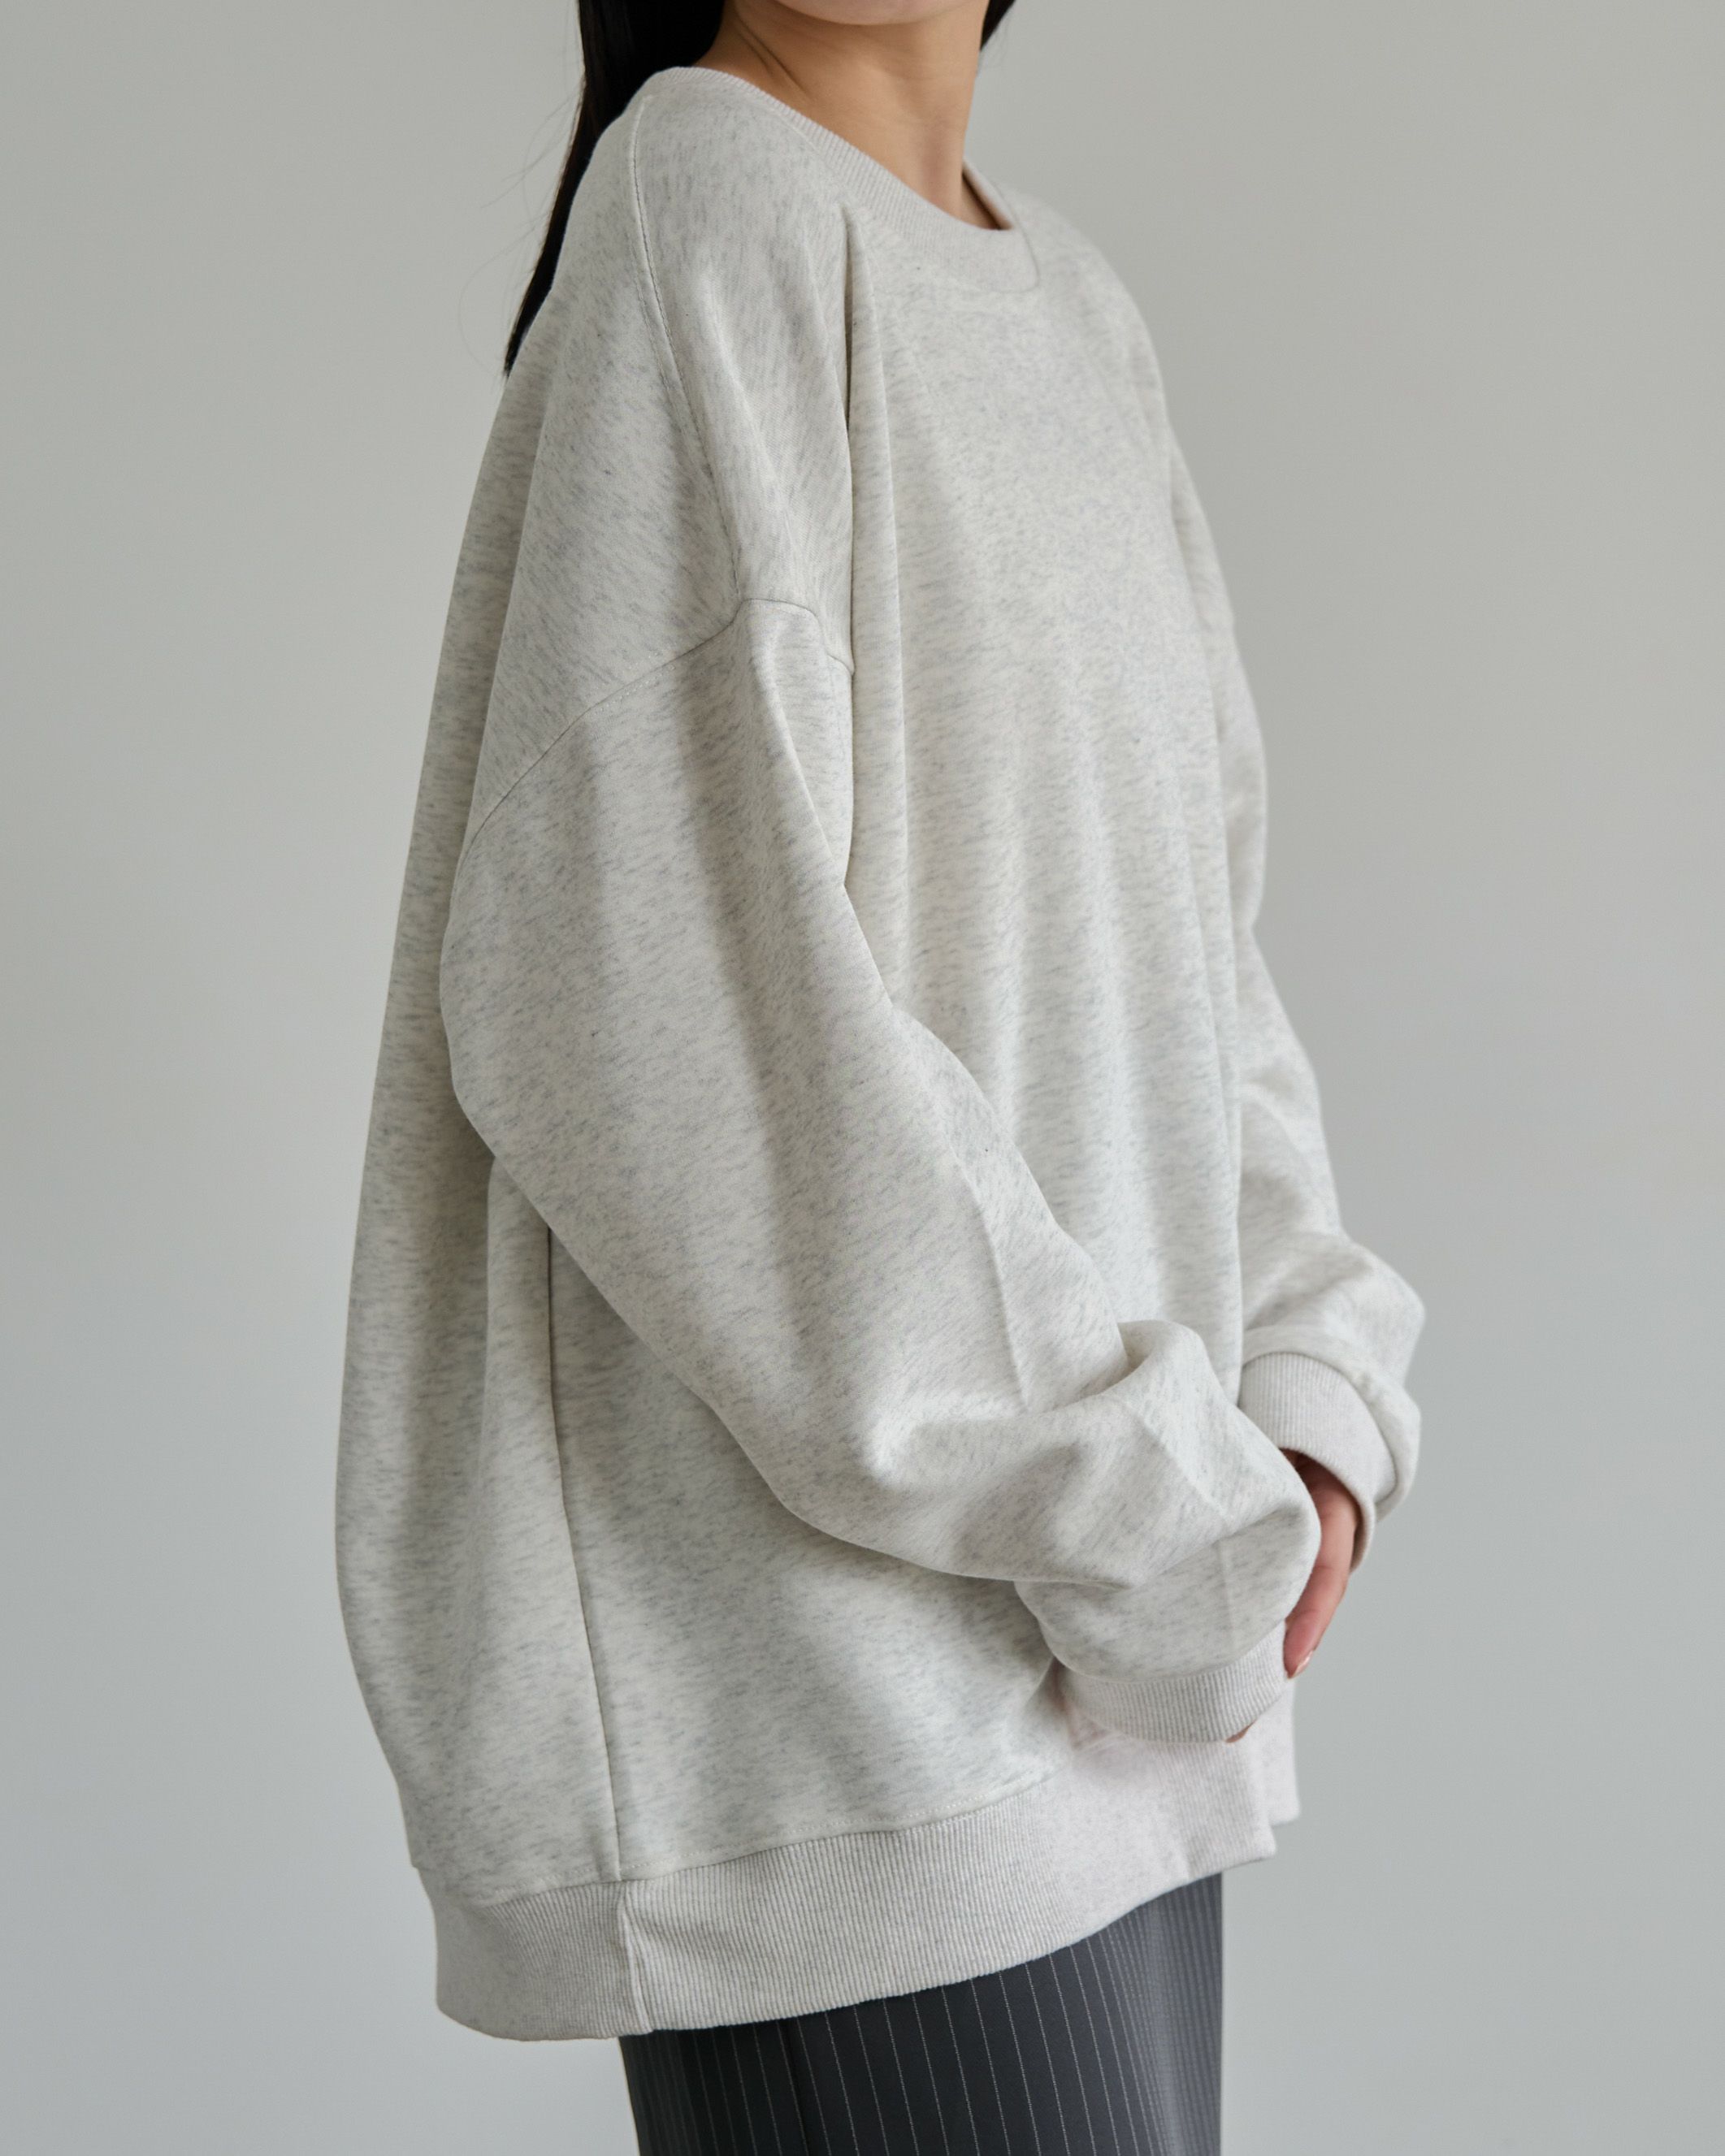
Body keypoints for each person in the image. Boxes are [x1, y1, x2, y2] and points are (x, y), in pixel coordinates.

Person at [334, 3, 1425, 2149]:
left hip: (1116, 1683)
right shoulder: (709, 201)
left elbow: (1191, 962)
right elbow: (645, 1019)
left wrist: (1307, 1403)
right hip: (840, 1735)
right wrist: (1162, 1523)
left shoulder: (1073, 310)